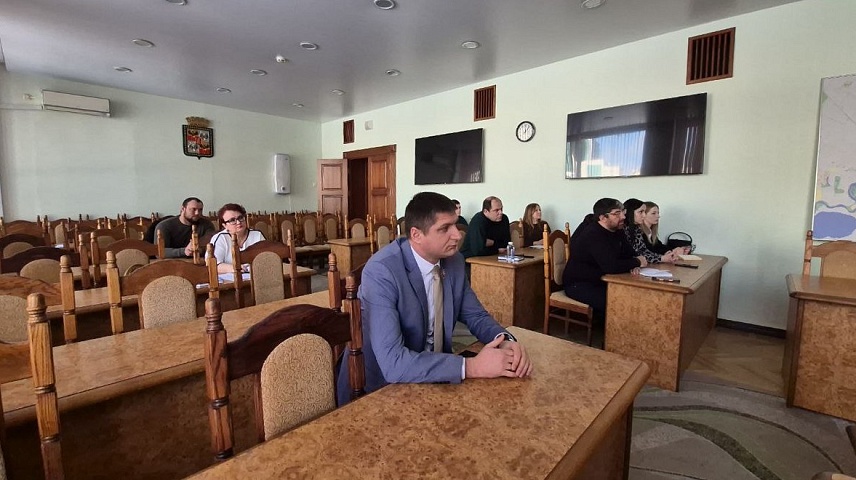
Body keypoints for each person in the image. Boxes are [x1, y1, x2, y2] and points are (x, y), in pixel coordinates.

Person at [336, 192, 532, 406]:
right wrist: (472, 366)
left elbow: (476, 315)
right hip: (380, 391)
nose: (457, 235)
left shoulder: (454, 261)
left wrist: (505, 341)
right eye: (445, 228)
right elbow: (394, 363)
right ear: (416, 235)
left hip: (436, 380)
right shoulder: (381, 272)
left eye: (455, 225)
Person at [563, 198, 646, 320]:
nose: (623, 216)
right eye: (617, 213)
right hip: (580, 284)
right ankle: (611, 331)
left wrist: (634, 264)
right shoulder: (592, 234)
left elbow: (629, 253)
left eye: (623, 212)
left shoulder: (617, 230)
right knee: (618, 301)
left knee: (633, 295)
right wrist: (637, 261)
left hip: (601, 280)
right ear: (603, 218)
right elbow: (611, 267)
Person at [207, 203, 266, 274]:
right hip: (228, 278)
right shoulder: (220, 238)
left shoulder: (257, 235)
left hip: (255, 276)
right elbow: (214, 265)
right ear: (225, 225)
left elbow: (266, 259)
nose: (238, 222)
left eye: (240, 218)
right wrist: (236, 268)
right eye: (232, 220)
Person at [622, 198, 678, 263]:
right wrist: (661, 258)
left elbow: (643, 250)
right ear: (630, 212)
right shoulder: (622, 230)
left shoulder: (636, 229)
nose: (644, 215)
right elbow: (635, 254)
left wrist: (666, 255)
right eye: (641, 212)